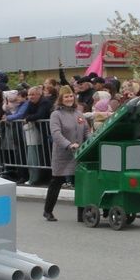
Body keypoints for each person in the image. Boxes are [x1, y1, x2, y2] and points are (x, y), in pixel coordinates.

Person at [43, 85, 89, 221]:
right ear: (61, 99)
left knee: (81, 183)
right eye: (66, 97)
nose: (69, 99)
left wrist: (90, 140)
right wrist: (69, 145)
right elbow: (56, 134)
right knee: (57, 182)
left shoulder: (78, 114)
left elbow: (86, 130)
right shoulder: (56, 114)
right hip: (63, 154)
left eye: (71, 96)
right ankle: (48, 211)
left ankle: (82, 214)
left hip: (79, 153)